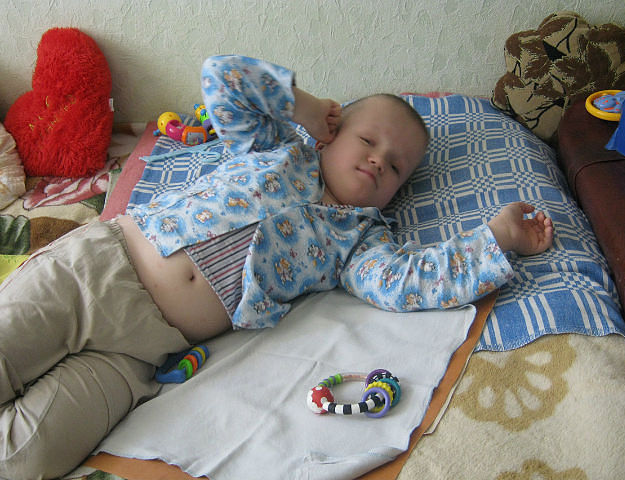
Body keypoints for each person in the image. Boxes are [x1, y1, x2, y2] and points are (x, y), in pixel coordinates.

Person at [0, 55, 553, 479]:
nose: (378, 160)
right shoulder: (276, 148)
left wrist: (496, 239)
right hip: (98, 270)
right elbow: (222, 77)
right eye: (367, 140)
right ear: (331, 134)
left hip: (142, 353)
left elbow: (409, 283)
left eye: (396, 168)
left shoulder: (359, 240)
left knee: (26, 457)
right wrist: (301, 105)